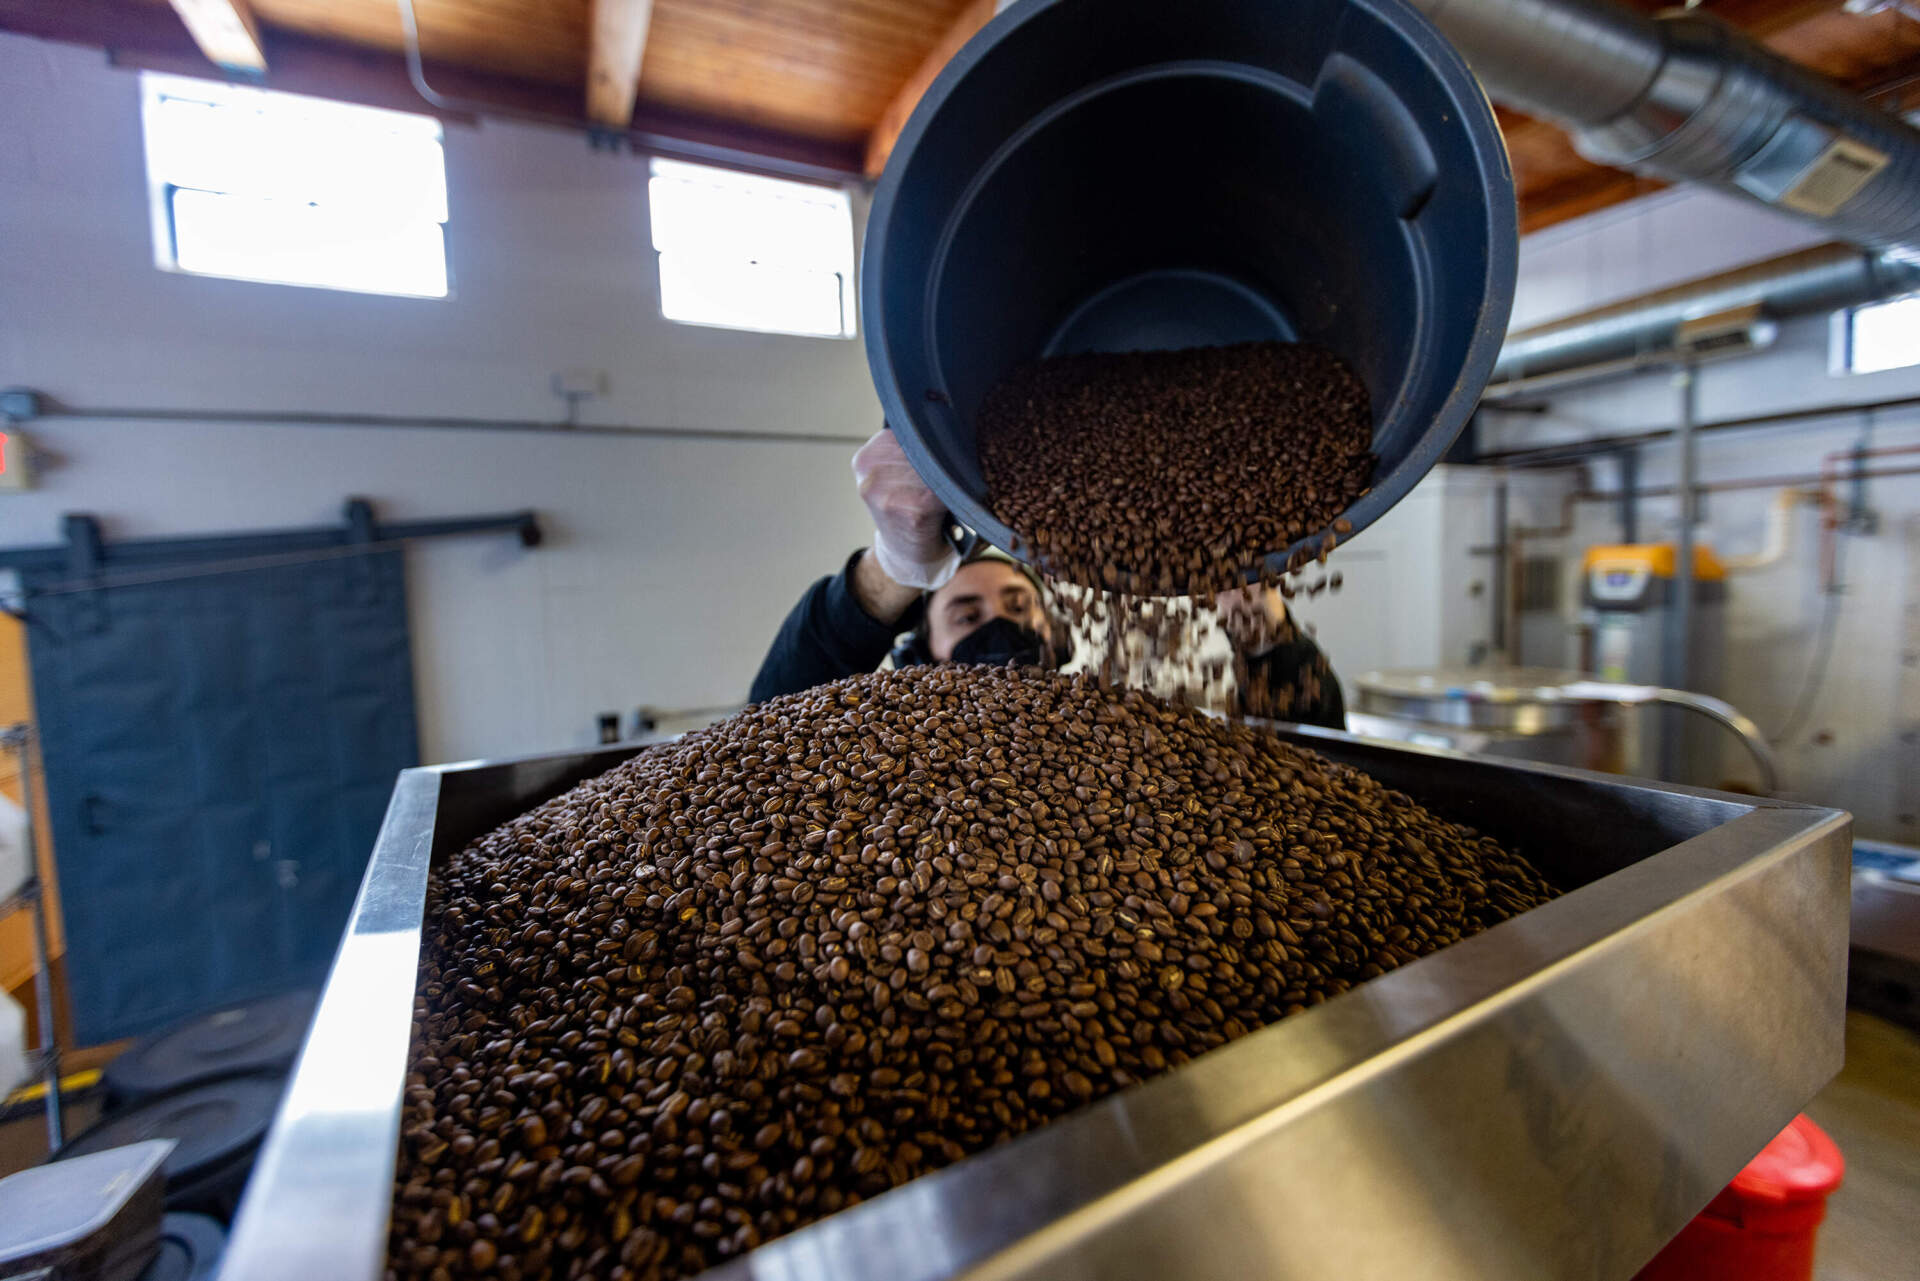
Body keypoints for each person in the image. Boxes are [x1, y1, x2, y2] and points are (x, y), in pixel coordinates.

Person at [750, 429, 1345, 729]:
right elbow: (769, 722)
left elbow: (1314, 744)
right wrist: (894, 566)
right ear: (919, 652)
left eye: (1017, 602)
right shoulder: (884, 748)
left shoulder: (1110, 725)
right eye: (966, 614)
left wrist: (1253, 608)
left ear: (1057, 631)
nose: (1001, 622)